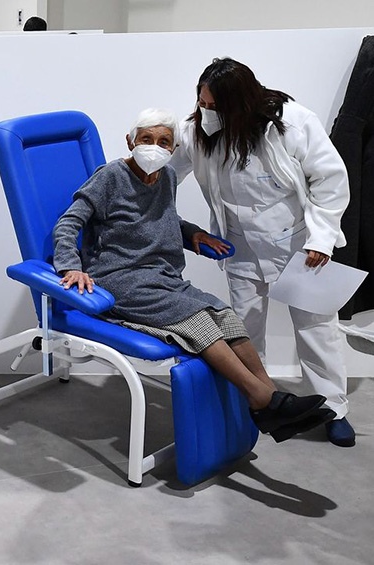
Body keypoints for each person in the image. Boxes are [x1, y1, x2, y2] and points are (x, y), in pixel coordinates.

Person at [56, 108, 334, 443]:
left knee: (224, 315)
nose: (154, 147)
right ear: (130, 141)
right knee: (199, 321)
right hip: (119, 277)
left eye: (163, 142)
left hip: (161, 276)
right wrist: (70, 265)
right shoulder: (111, 176)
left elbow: (162, 219)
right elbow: (69, 222)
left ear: (173, 149)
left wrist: (194, 235)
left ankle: (273, 399)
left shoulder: (166, 177)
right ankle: (261, 399)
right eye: (146, 139)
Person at [171, 58, 356, 447]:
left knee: (316, 329)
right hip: (240, 246)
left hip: (298, 245)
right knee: (244, 328)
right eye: (201, 103)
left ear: (240, 103)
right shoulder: (195, 132)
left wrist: (322, 238)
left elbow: (330, 180)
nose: (206, 112)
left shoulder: (291, 123)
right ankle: (258, 404)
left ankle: (334, 409)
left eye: (214, 106)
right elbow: (166, 175)